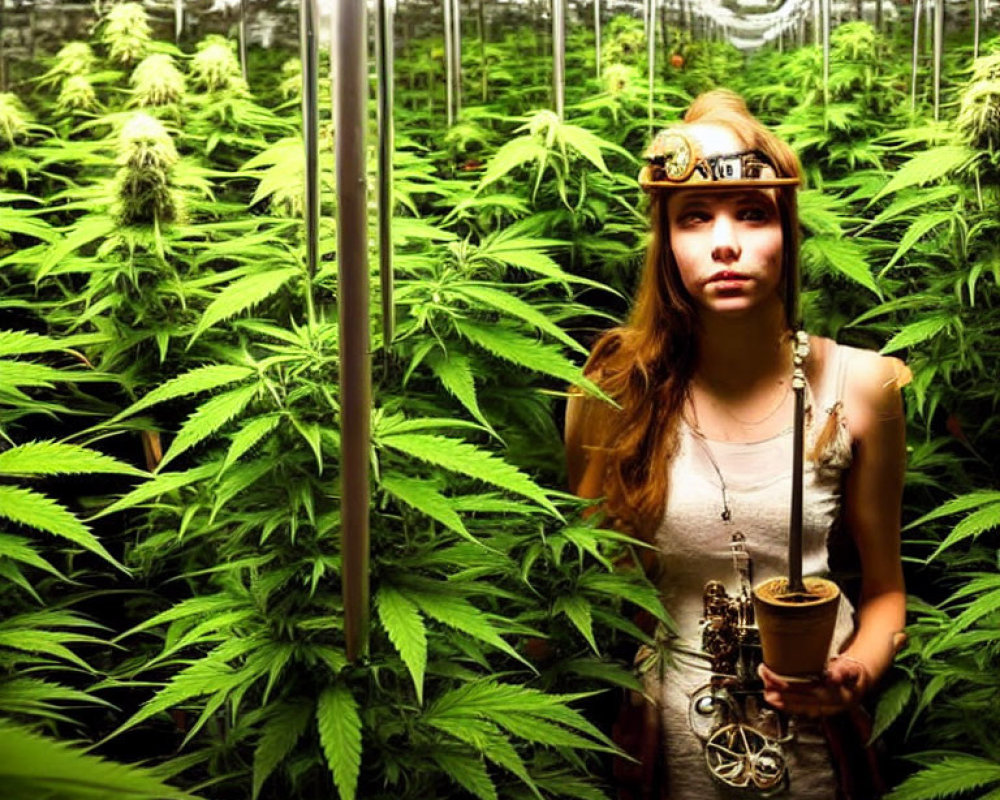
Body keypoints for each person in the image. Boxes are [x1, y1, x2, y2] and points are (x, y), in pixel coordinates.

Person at [564, 89, 908, 799]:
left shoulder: (861, 386)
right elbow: (575, 585)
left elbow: (885, 594)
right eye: (695, 219)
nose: (726, 241)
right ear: (667, 244)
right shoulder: (613, 390)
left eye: (753, 213)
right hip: (663, 753)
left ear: (788, 233)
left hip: (819, 755)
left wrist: (857, 672)